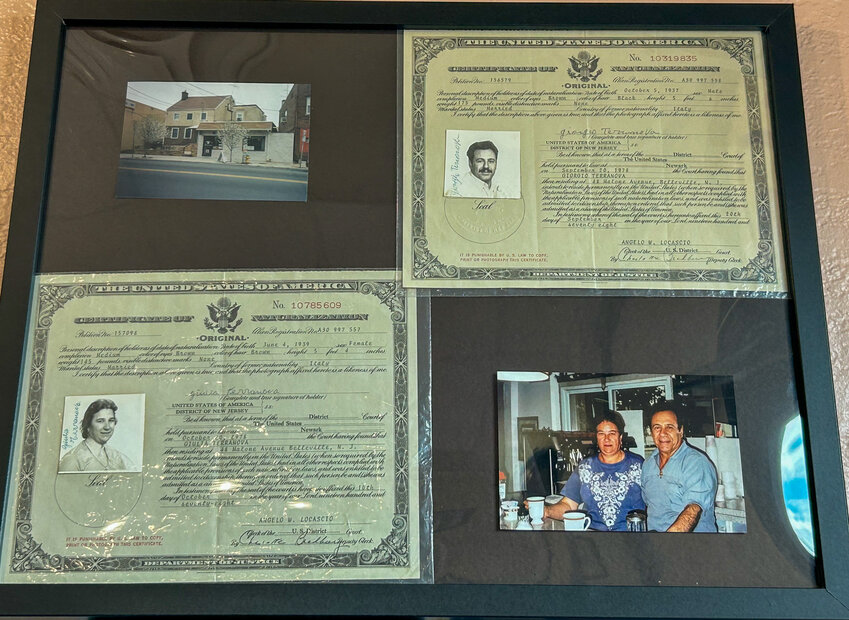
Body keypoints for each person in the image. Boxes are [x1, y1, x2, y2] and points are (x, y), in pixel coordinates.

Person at [544, 410, 645, 531]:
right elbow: (569, 505)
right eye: (601, 433)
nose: (606, 439)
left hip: (631, 538)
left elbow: (654, 504)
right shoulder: (585, 467)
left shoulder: (638, 465)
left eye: (612, 433)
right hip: (594, 539)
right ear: (596, 437)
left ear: (620, 437)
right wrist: (547, 511)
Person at [641, 401, 718, 532]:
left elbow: (693, 510)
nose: (663, 433)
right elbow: (650, 506)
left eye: (669, 427)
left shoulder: (696, 463)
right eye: (657, 427)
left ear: (680, 431)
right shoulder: (648, 464)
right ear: (651, 433)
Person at [58, 399, 132, 472]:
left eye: (111, 420)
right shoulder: (72, 460)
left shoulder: (118, 457)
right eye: (100, 421)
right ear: (88, 425)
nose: (107, 427)